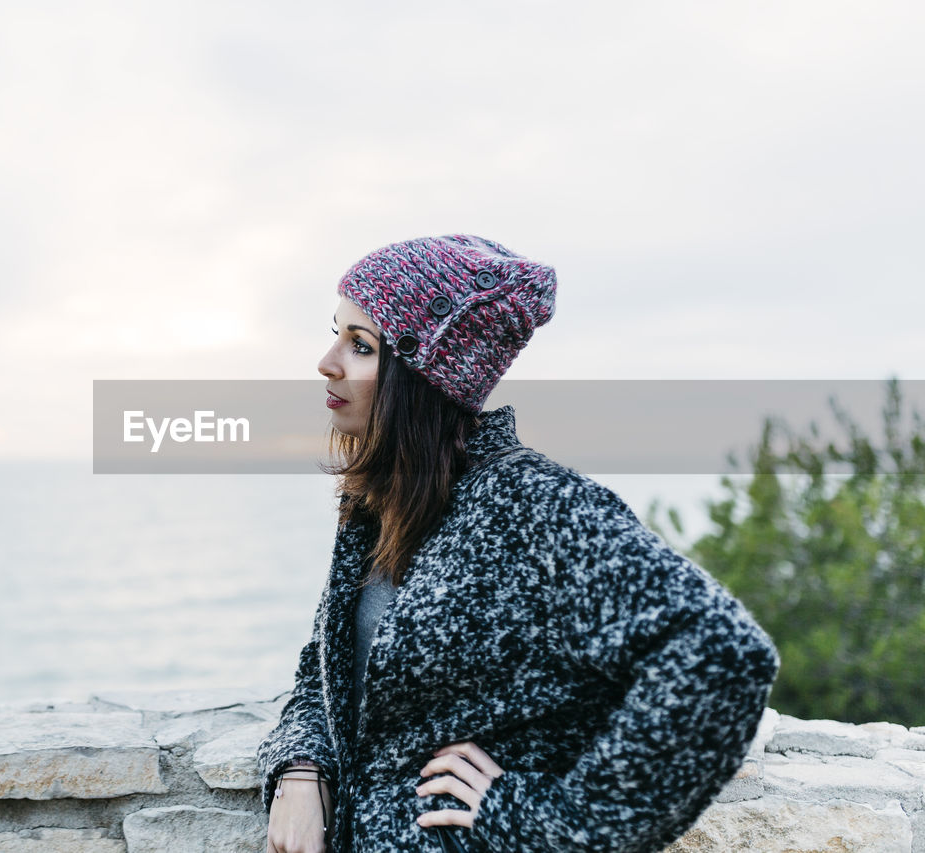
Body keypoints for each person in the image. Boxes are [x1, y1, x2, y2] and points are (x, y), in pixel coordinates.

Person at [256, 234, 780, 853]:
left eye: (362, 346)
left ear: (425, 378)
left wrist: (556, 824)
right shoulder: (382, 504)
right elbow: (331, 664)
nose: (328, 362)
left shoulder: (532, 505)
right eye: (336, 333)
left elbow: (722, 650)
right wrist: (301, 770)